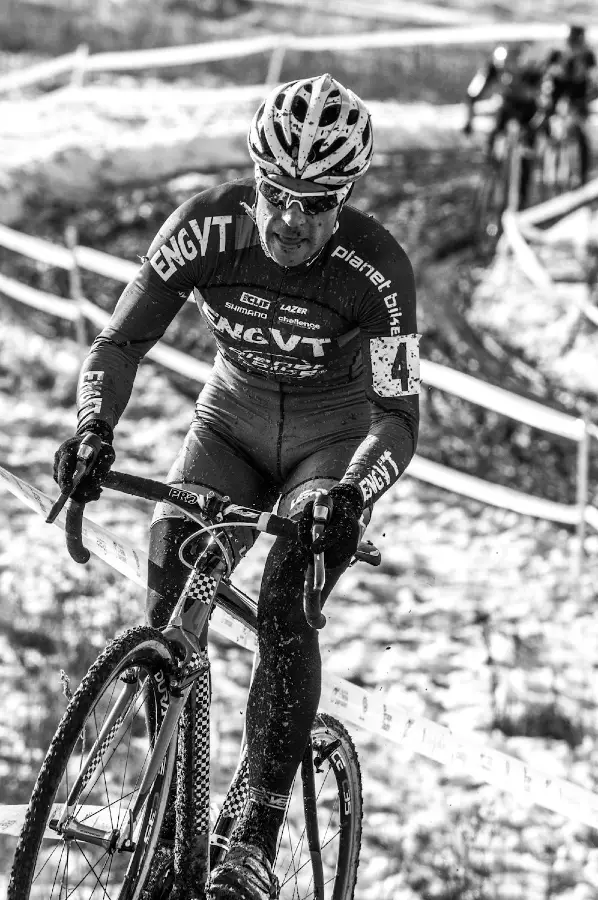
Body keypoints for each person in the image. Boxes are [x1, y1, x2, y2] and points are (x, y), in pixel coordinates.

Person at [52, 73, 420, 900]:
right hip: (231, 424)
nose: (291, 220)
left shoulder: (378, 268)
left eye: (317, 202)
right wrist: (91, 430)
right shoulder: (205, 229)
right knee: (168, 563)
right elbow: (118, 343)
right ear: (252, 178)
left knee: (287, 595)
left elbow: (399, 414)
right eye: (275, 194)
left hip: (329, 441)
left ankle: (252, 831)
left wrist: (354, 493)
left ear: (346, 196)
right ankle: (176, 820)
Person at [535, 23, 597, 185]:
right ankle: (542, 164)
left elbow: (593, 79)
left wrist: (587, 98)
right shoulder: (558, 53)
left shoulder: (587, 55)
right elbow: (543, 75)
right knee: (545, 125)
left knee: (581, 134)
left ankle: (581, 175)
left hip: (578, 98)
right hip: (558, 96)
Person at [463, 42, 544, 158]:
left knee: (530, 134)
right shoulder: (495, 68)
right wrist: (469, 121)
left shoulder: (531, 69)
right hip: (509, 106)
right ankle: (493, 156)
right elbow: (473, 95)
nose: (511, 75)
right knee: (497, 135)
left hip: (526, 108)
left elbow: (541, 92)